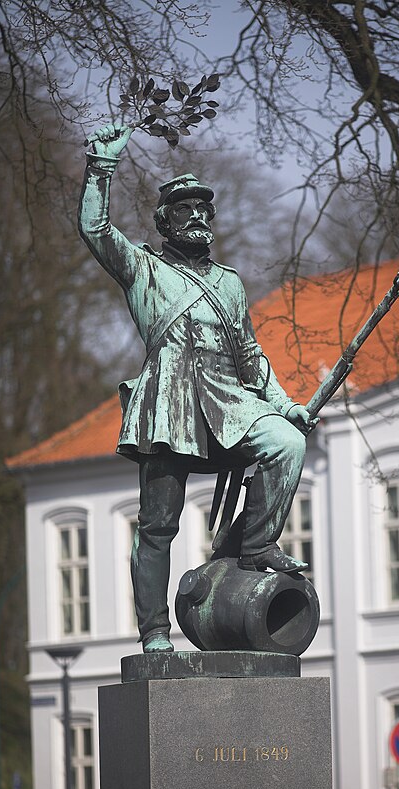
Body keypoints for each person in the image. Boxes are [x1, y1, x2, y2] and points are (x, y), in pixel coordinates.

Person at [79, 123, 312, 652]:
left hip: (228, 400)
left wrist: (283, 404)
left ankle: (256, 546)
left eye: (205, 209)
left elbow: (249, 354)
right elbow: (94, 228)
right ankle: (155, 633)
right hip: (170, 404)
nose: (199, 216)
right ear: (165, 220)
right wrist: (102, 168)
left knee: (287, 442)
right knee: (158, 526)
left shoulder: (229, 282)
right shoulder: (144, 267)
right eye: (186, 209)